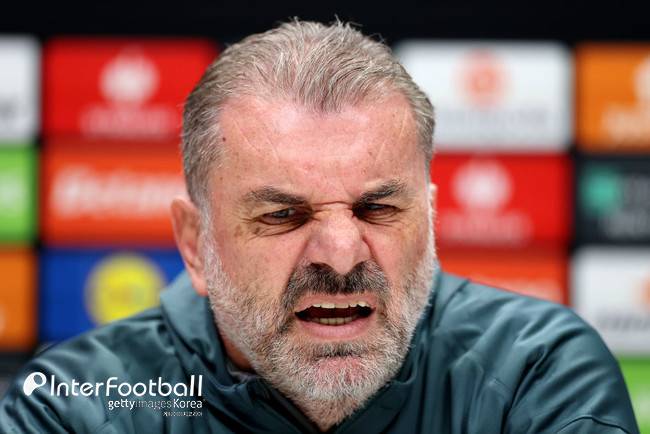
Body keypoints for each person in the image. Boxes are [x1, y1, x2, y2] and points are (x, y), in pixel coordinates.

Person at [0, 20, 640, 434]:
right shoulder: (77, 406)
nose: (339, 255)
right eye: (282, 215)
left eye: (378, 209)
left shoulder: (536, 374)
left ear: (431, 220)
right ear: (195, 245)